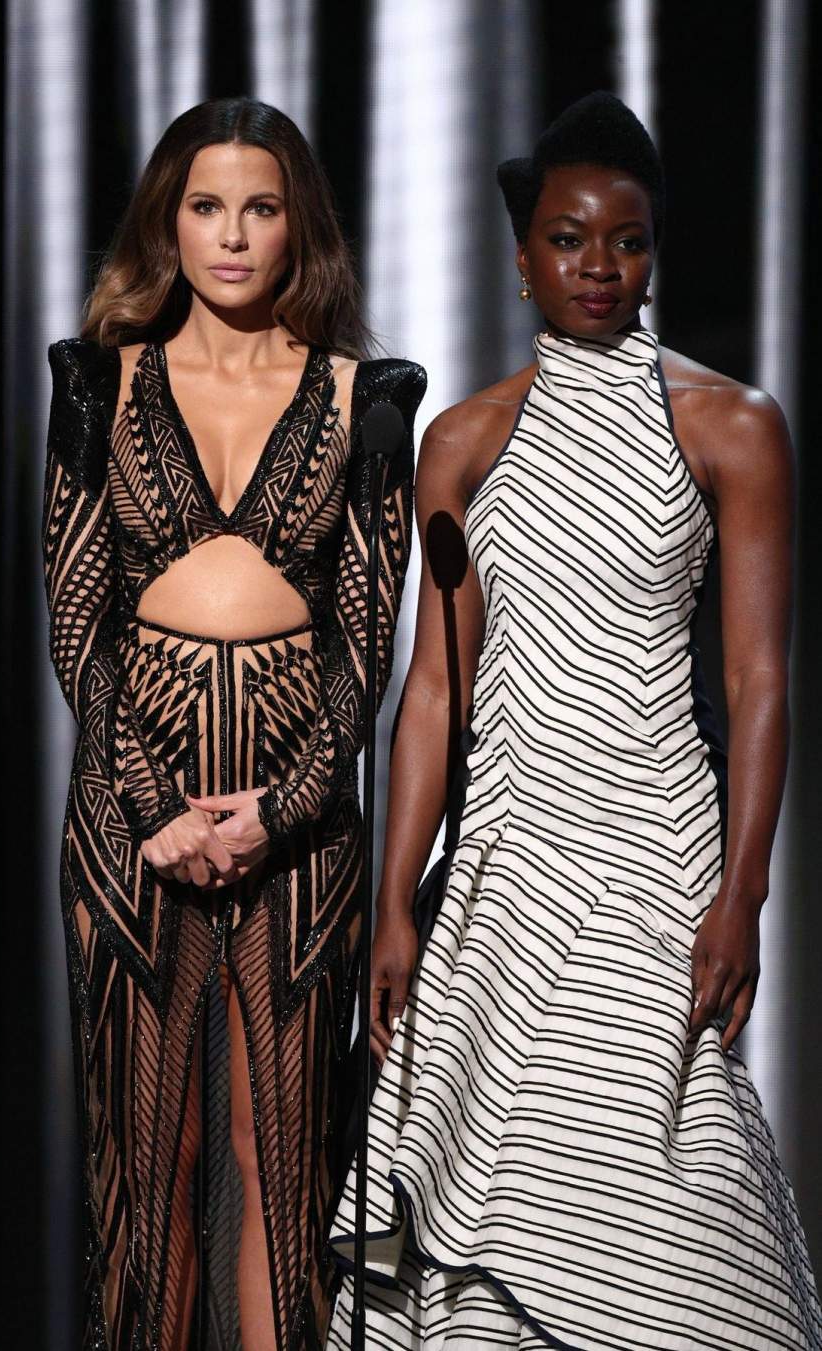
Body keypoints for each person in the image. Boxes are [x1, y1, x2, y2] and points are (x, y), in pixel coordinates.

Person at [327, 92, 822, 1350]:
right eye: (568, 238)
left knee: (668, 1189)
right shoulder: (462, 440)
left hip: (658, 854)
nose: (599, 264)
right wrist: (396, 899)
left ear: (654, 252)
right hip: (506, 862)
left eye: (627, 239)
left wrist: (744, 892)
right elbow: (433, 687)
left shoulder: (732, 425)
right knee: (487, 1201)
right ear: (522, 255)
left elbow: (760, 675)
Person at [42, 96, 425, 1351]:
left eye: (262, 207)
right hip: (130, 815)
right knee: (145, 1164)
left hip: (299, 820)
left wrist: (285, 805)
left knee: (287, 1163)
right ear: (170, 221)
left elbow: (365, 640)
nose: (234, 235)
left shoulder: (368, 398)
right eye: (207, 206)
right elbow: (77, 618)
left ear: (297, 225)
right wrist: (156, 809)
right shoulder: (98, 382)